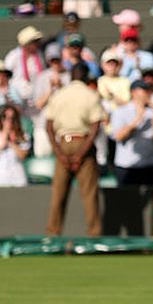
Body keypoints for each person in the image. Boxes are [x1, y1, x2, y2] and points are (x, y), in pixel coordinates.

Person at [44, 63, 103, 236]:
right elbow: (95, 127)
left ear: (71, 76)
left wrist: (59, 153)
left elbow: (48, 126)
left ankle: (52, 235)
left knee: (58, 195)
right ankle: (94, 235)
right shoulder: (91, 95)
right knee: (89, 195)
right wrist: (80, 155)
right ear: (86, 77)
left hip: (63, 143)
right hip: (82, 143)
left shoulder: (59, 95)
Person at [108, 80, 153, 186]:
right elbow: (118, 137)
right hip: (128, 166)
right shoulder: (120, 112)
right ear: (133, 92)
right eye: (143, 90)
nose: (147, 93)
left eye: (148, 90)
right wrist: (137, 121)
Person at [0, 103, 30, 187]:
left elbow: (22, 156)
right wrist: (2, 144)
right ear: (1, 119)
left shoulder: (23, 136)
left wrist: (11, 143)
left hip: (17, 179)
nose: (9, 121)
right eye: (5, 117)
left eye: (12, 118)